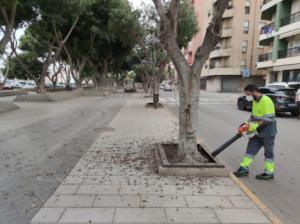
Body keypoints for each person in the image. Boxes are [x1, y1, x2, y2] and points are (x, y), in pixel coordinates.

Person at [234, 84, 277, 180]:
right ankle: (243, 169)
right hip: (257, 131)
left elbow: (269, 118)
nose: (247, 96)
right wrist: (246, 124)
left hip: (268, 131)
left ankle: (269, 172)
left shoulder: (266, 100)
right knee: (250, 149)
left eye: (248, 93)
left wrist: (255, 125)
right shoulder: (255, 101)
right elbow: (253, 116)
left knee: (268, 152)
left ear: (253, 91)